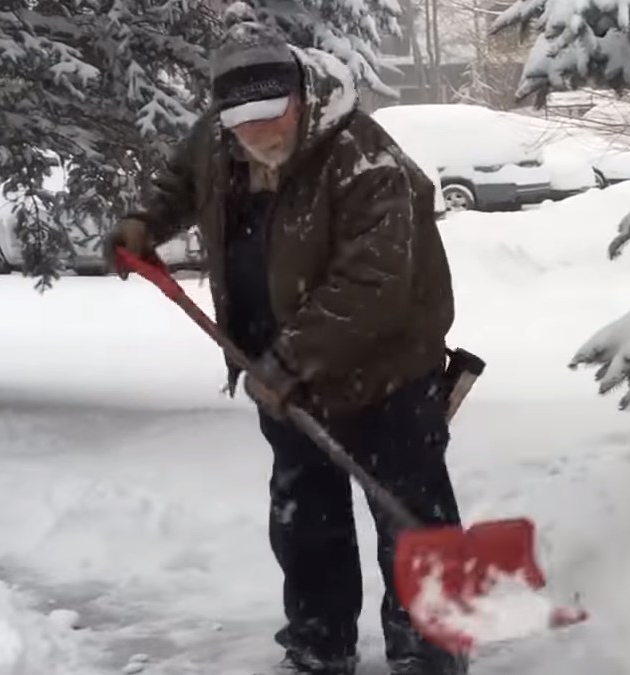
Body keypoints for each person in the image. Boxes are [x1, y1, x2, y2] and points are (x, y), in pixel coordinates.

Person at [104, 12, 467, 675]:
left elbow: (374, 284)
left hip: (386, 369)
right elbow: (185, 180)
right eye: (243, 125)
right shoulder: (221, 138)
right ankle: (319, 643)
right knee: (306, 518)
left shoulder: (365, 159)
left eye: (274, 116)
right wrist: (145, 222)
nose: (259, 133)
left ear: (300, 95)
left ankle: (427, 649)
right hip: (281, 365)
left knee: (410, 514)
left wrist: (291, 359)